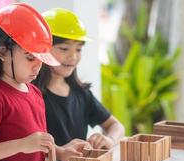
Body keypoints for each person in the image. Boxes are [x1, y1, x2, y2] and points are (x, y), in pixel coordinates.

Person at [0, 3, 85, 161]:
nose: (38, 65)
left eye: (41, 58)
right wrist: (22, 144)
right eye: (30, 57)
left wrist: (60, 152)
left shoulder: (33, 91)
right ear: (2, 52)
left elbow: (35, 146)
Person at [32, 8, 125, 150]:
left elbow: (115, 125)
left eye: (78, 49)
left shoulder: (81, 93)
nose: (73, 57)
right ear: (42, 48)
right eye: (64, 49)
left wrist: (109, 139)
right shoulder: (30, 94)